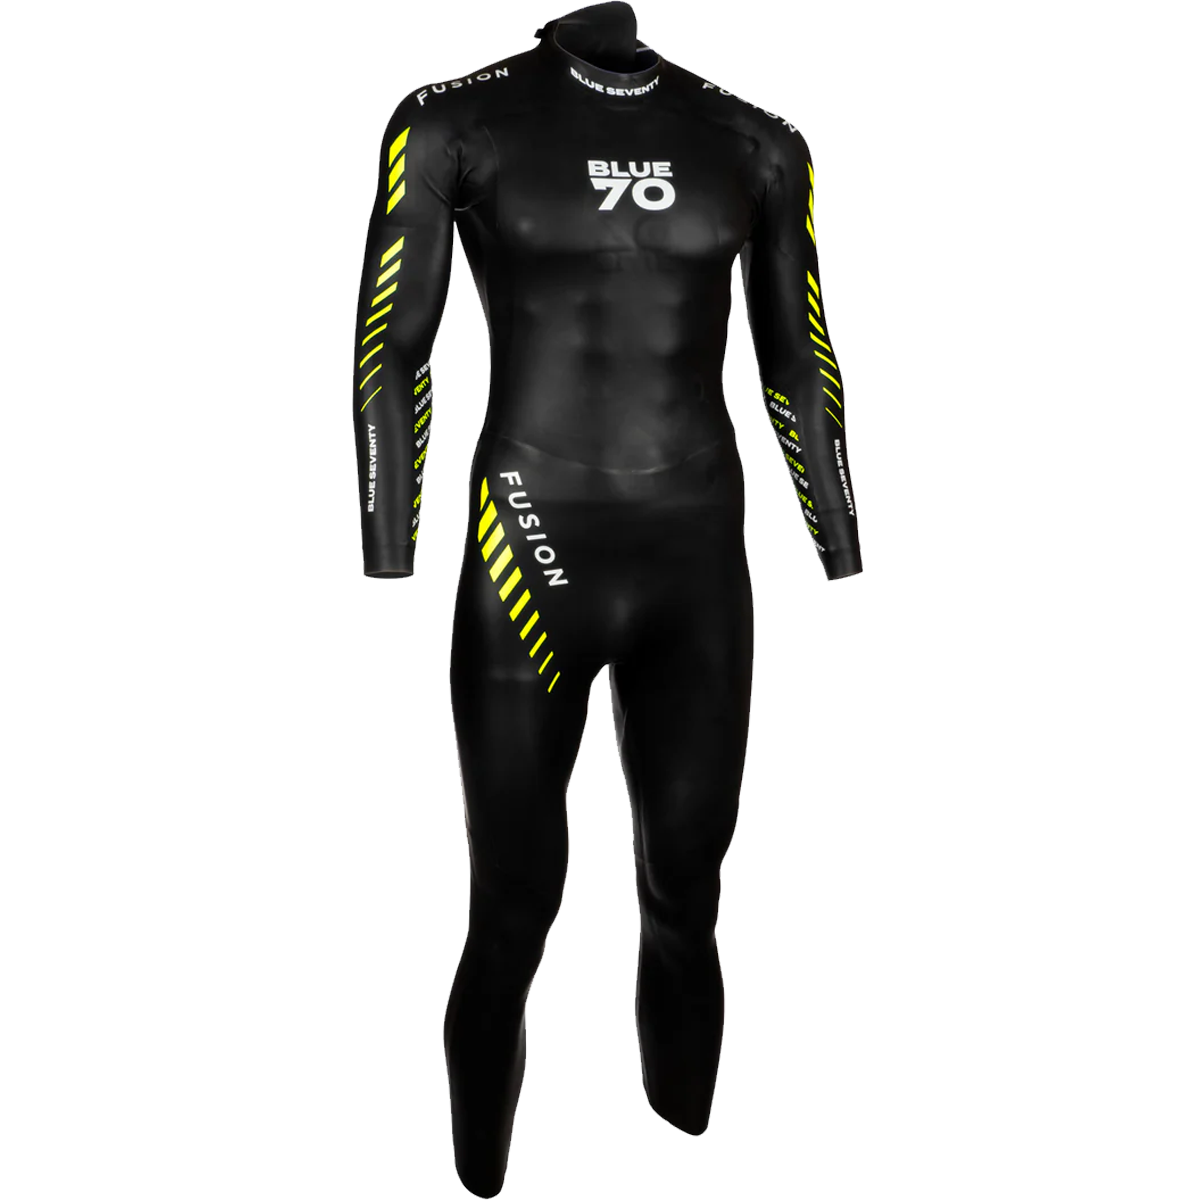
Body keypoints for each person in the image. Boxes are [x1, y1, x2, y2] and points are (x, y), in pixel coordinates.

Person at [350, 3, 862, 1194]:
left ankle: (685, 1164)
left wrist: (839, 537)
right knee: (513, 905)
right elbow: (389, 349)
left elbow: (798, 356)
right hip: (532, 552)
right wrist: (387, 546)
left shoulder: (754, 143)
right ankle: (479, 1178)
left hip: (697, 564)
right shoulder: (453, 122)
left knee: (688, 891)